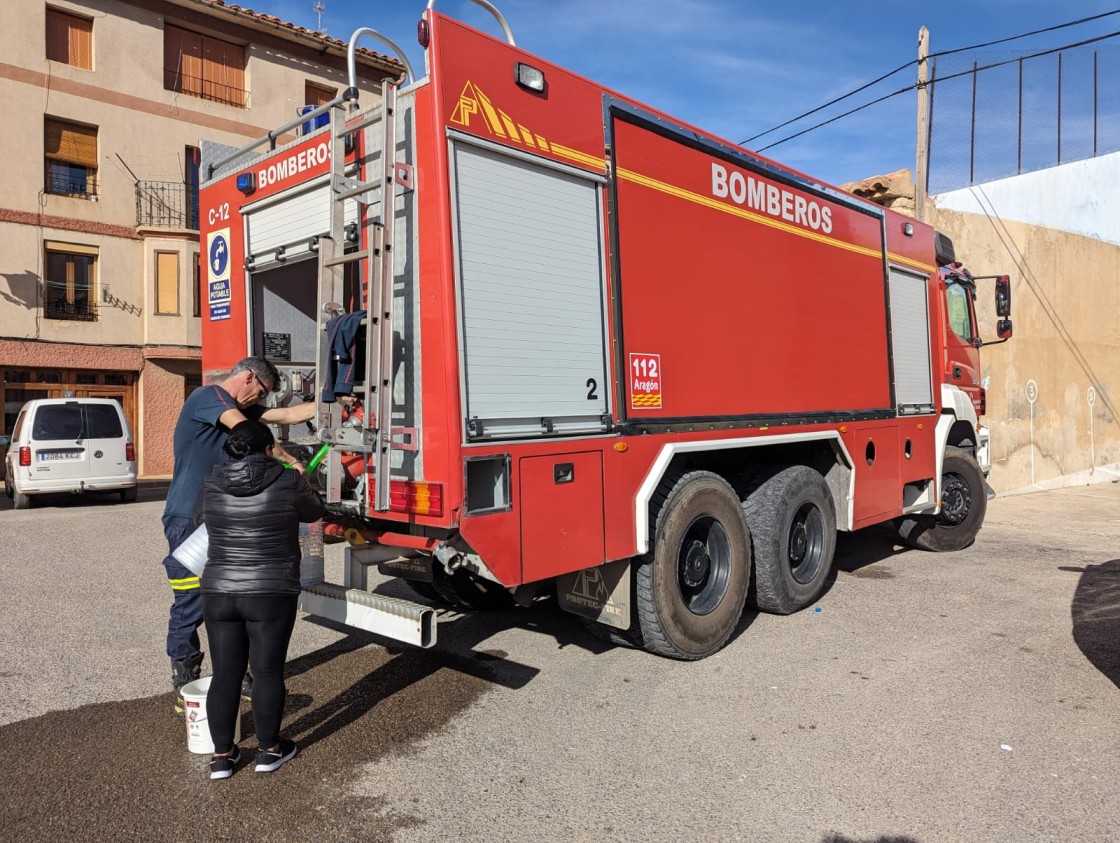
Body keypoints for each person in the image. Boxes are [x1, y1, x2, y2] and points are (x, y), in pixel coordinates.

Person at [162, 357, 315, 714]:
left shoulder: (237, 407)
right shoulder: (209, 397)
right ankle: (185, 678)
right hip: (189, 516)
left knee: (232, 594)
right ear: (247, 377)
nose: (258, 399)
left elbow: (288, 416)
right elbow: (247, 433)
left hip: (218, 516)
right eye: (259, 391)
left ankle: (236, 673)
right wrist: (291, 463)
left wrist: (335, 404)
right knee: (192, 598)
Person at [199, 419, 324, 779]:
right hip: (270, 589)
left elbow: (200, 519)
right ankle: (269, 751)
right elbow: (314, 511)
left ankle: (222, 757)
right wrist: (300, 472)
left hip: (219, 589)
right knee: (267, 671)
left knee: (224, 674)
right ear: (269, 449)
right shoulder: (286, 480)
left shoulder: (210, 482)